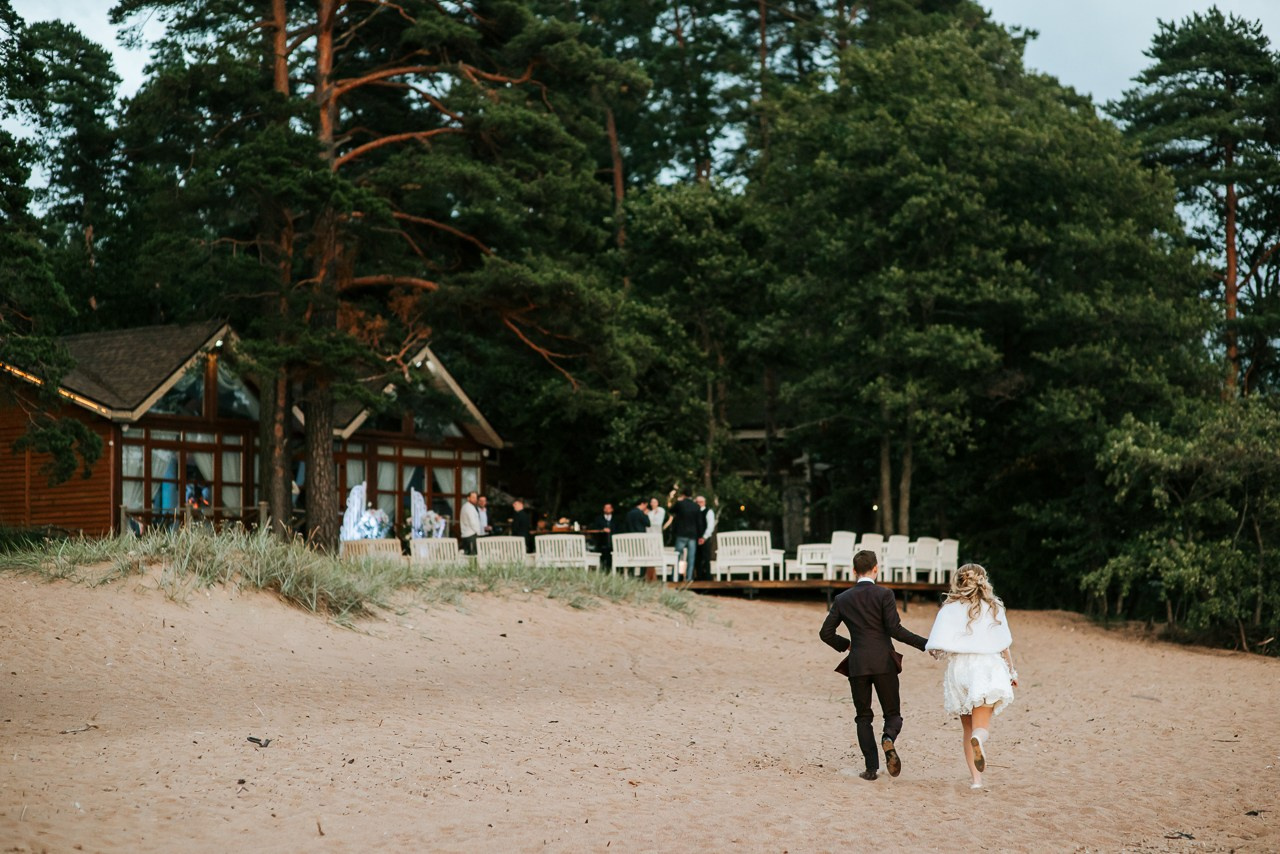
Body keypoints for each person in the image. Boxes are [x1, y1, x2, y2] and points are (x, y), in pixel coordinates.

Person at [820, 549, 929, 781]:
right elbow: (895, 630)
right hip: (883, 662)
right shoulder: (884, 594)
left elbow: (826, 633)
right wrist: (926, 644)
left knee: (863, 717)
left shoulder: (842, 599)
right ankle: (888, 738)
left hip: (858, 663)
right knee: (893, 713)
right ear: (876, 569)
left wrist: (847, 645)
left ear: (853, 571)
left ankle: (871, 769)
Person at [925, 563, 1017, 790]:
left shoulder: (949, 608)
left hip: (960, 668)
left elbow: (936, 647)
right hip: (986, 666)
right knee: (980, 726)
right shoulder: (994, 607)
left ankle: (976, 780)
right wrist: (1012, 672)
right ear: (983, 581)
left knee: (966, 728)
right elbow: (1004, 644)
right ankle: (980, 739)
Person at [669, 490, 701, 582]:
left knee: (677, 556)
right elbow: (699, 522)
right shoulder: (696, 506)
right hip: (692, 535)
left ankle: (674, 577)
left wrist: (678, 501)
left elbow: (671, 510)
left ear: (683, 495)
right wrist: (700, 535)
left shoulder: (680, 504)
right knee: (691, 557)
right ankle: (689, 577)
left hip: (681, 533)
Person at [695, 495, 716, 581]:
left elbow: (710, 526)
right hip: (695, 538)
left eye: (700, 502)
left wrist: (704, 537)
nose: (699, 504)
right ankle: (698, 576)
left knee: (706, 557)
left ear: (704, 503)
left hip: (705, 538)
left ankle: (707, 577)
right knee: (697, 558)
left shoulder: (709, 512)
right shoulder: (694, 512)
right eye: (697, 502)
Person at [593, 502, 616, 570]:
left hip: (613, 544)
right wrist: (602, 530)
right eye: (606, 508)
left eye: (609, 508)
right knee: (602, 559)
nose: (607, 509)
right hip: (602, 543)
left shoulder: (616, 519)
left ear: (612, 509)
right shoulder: (598, 519)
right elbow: (594, 528)